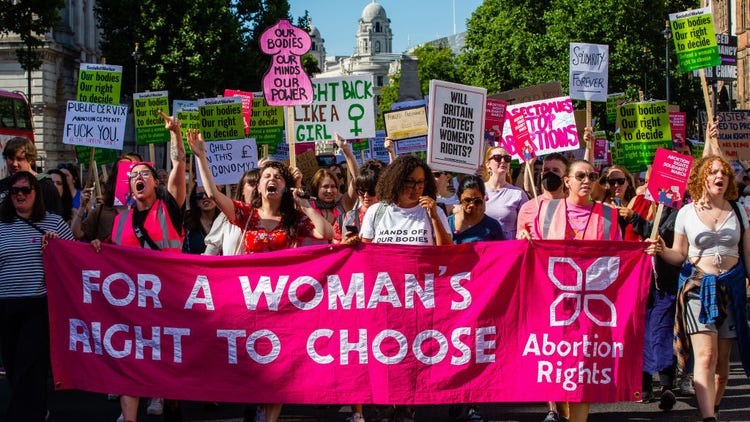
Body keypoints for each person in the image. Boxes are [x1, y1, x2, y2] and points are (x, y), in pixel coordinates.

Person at [188, 128, 332, 422]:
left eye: (278, 177)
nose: (271, 180)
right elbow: (214, 195)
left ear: (284, 187)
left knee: (277, 364)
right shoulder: (246, 215)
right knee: (252, 361)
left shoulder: (294, 219)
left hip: (282, 303)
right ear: (259, 184)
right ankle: (253, 403)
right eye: (267, 176)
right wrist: (201, 156)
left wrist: (303, 202)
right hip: (249, 302)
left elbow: (326, 234)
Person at [93, 112, 186, 422]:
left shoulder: (170, 207)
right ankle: (129, 416)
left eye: (145, 172)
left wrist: (175, 136)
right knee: (130, 356)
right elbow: (108, 256)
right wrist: (96, 248)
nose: (139, 177)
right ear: (129, 186)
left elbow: (178, 168)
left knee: (165, 359)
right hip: (133, 303)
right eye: (134, 175)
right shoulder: (120, 221)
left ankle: (165, 395)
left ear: (154, 181)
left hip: (169, 299)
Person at [647, 155, 750, 422]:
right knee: (705, 357)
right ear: (701, 178)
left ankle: (713, 407)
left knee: (722, 368)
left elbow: (748, 254)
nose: (721, 176)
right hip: (697, 288)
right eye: (714, 172)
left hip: (732, 287)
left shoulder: (738, 210)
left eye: (724, 173)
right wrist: (661, 249)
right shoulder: (686, 213)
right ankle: (708, 418)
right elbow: (679, 255)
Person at [525, 160, 622, 422]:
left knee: (582, 371)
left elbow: (621, 261)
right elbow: (532, 255)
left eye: (591, 175)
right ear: (567, 181)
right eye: (580, 175)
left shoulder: (609, 215)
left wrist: (644, 252)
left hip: (591, 306)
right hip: (555, 304)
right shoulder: (545, 211)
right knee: (561, 369)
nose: (587, 180)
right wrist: (527, 243)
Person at [0, 171, 74, 421]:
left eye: (25, 190)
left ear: (36, 194)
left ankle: (19, 416)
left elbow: (74, 260)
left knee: (29, 365)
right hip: (5, 305)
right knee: (13, 365)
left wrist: (56, 249)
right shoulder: (1, 225)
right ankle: (37, 409)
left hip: (39, 305)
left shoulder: (54, 223)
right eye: (14, 191)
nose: (20, 195)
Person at [360, 154, 452, 247]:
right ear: (396, 182)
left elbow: (446, 253)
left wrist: (434, 218)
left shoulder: (436, 212)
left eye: (420, 182)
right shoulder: (375, 212)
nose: (416, 187)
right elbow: (366, 253)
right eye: (410, 182)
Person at [204, 169, 259, 256]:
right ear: (242, 190)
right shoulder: (226, 216)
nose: (256, 189)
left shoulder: (276, 218)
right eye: (252, 184)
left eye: (260, 185)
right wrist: (201, 157)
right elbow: (211, 252)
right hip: (233, 269)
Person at [1, 137, 62, 216]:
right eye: (11, 159)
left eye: (19, 159)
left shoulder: (45, 185)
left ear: (30, 160)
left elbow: (56, 218)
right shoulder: (3, 185)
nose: (14, 164)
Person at [483, 146, 528, 239]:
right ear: (488, 164)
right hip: (484, 247)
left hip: (508, 249)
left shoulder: (518, 194)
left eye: (507, 159)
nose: (503, 161)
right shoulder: (478, 190)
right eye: (497, 158)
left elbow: (527, 222)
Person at [448, 175, 504, 244]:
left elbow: (500, 252)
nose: (472, 205)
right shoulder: (448, 223)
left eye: (477, 201)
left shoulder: (493, 226)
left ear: (483, 198)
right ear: (459, 198)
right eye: (467, 200)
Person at [182, 185, 220, 254]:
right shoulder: (186, 222)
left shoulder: (226, 221)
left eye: (208, 193)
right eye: (199, 195)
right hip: (194, 264)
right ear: (195, 201)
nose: (204, 197)